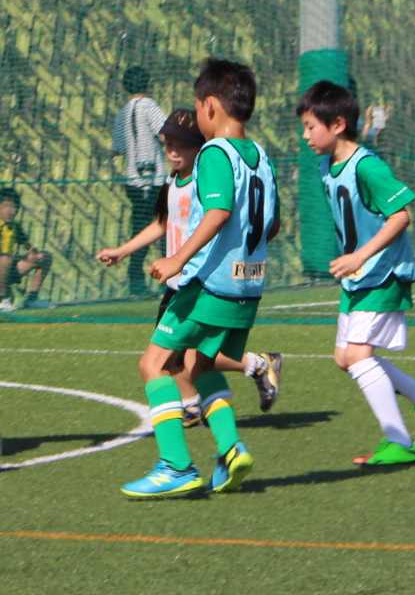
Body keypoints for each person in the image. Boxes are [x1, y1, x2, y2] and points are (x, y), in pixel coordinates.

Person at [121, 59, 279, 499]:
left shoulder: (213, 153)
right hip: (248, 286)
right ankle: (231, 450)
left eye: (196, 106)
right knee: (199, 366)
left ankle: (175, 465)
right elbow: (272, 225)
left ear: (209, 106)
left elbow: (218, 211)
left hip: (208, 284)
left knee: (153, 364)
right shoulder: (261, 157)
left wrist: (178, 259)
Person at [297, 80, 415, 466]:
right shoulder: (325, 167)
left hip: (382, 273)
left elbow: (400, 216)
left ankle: (398, 441)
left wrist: (359, 256)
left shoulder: (367, 166)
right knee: (344, 357)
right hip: (358, 277)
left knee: (359, 355)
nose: (306, 136)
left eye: (311, 127)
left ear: (338, 124)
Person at [97, 110, 283, 423]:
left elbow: (224, 218)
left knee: (176, 360)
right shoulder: (171, 182)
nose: (173, 151)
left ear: (200, 146)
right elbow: (162, 224)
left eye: (182, 145)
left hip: (199, 282)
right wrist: (123, 251)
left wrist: (182, 260)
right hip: (178, 283)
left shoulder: (207, 177)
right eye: (169, 144)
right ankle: (197, 406)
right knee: (179, 360)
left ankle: (253, 367)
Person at [112, 67, 168, 297]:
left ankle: (136, 282)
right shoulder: (149, 106)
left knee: (139, 230)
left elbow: (118, 148)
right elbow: (165, 134)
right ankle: (167, 278)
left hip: (132, 180)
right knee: (167, 228)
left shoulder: (122, 112)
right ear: (148, 82)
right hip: (153, 179)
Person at [0, 187, 51, 311]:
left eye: (13, 207)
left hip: (10, 265)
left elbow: (27, 245)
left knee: (45, 256)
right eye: (5, 206)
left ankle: (32, 298)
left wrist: (33, 254)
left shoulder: (15, 227)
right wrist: (20, 257)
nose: (10, 211)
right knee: (5, 260)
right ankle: (3, 300)